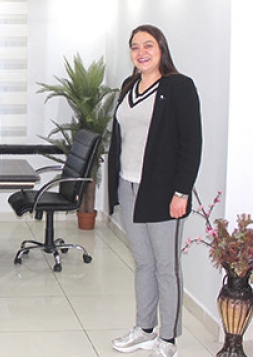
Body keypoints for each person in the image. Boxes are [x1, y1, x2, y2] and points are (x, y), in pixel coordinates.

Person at [108, 25, 202, 357]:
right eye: (135, 47)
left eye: (148, 45)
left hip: (163, 191)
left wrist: (181, 193)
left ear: (161, 48)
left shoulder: (178, 86)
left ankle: (168, 339)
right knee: (143, 263)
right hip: (128, 185)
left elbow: (191, 143)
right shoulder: (129, 86)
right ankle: (145, 329)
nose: (141, 52)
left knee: (166, 267)